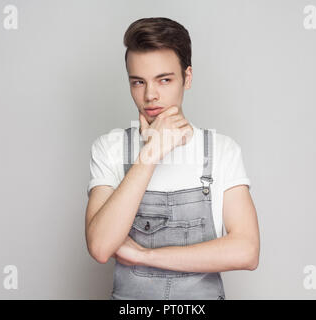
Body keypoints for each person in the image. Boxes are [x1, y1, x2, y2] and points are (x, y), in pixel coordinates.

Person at [85, 17, 260, 300]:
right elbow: (101, 246)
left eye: (164, 80)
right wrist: (150, 154)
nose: (150, 95)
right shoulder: (110, 148)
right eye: (138, 82)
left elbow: (247, 251)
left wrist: (145, 255)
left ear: (187, 78)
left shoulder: (222, 150)